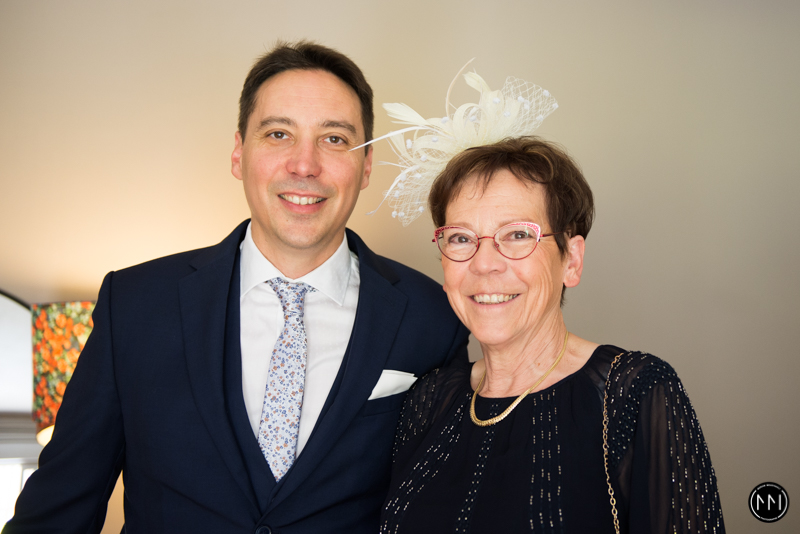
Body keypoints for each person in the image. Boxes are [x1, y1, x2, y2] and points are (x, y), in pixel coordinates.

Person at [3, 41, 469, 534]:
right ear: (238, 153)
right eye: (278, 134)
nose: (304, 164)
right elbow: (56, 514)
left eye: (334, 139)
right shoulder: (135, 305)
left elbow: (443, 510)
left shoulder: (433, 319)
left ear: (367, 165)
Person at [364, 69, 724, 532]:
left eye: (518, 235)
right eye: (461, 238)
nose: (484, 264)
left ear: (571, 259)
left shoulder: (633, 392)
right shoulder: (428, 399)